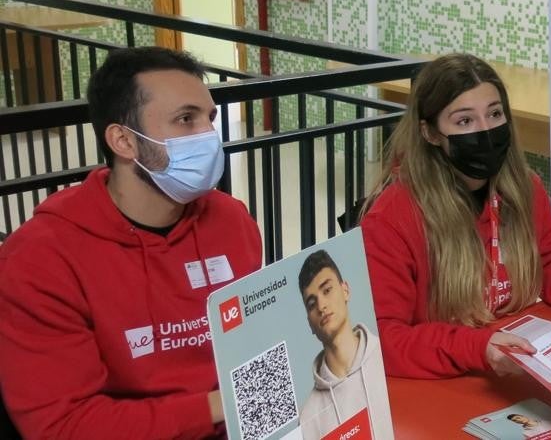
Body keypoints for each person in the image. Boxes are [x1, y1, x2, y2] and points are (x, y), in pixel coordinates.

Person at [0, 46, 262, 439]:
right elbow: (64, 427)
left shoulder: (231, 220)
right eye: (185, 120)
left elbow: (252, 345)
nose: (208, 136)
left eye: (209, 119)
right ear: (124, 142)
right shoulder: (41, 259)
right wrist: (219, 405)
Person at [360, 54, 551, 379]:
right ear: (430, 133)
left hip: (501, 372)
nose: (486, 131)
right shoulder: (392, 218)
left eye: (494, 114)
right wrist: (477, 348)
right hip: (437, 385)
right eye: (465, 121)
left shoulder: (522, 189)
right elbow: (382, 341)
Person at [298, 250, 394, 440]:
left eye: (327, 290)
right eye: (311, 303)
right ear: (309, 322)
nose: (321, 306)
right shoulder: (309, 415)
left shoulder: (388, 360)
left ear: (345, 291)